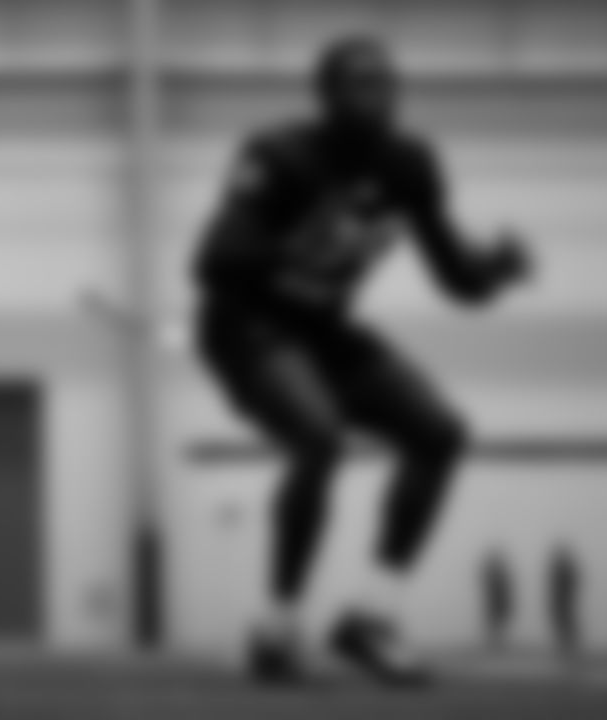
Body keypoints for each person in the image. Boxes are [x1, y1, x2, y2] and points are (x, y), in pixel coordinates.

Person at [190, 34, 535, 685]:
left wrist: (495, 271)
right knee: (319, 437)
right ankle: (278, 628)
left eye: (386, 83)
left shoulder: (411, 165)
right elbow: (213, 261)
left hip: (323, 330)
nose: (378, 96)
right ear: (326, 95)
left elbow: (455, 279)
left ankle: (371, 617)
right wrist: (305, 247)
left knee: (439, 432)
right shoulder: (278, 154)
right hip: (246, 327)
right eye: (360, 84)